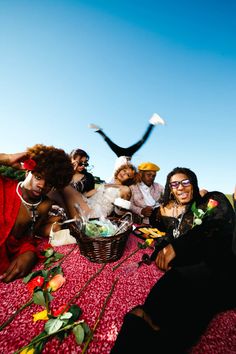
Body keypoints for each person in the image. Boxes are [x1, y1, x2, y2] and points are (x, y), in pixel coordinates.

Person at [111, 167, 236, 354]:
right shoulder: (180, 219)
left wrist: (178, 247)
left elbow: (217, 226)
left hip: (218, 269)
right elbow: (166, 238)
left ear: (194, 184)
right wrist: (162, 250)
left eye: (186, 182)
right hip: (184, 274)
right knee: (139, 314)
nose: (180, 188)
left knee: (176, 324)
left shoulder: (212, 200)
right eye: (174, 184)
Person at [0, 144, 73, 283]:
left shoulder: (44, 205)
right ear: (28, 172)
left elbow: (29, 236)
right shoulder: (3, 186)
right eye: (38, 177)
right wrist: (6, 158)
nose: (42, 185)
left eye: (49, 183)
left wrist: (29, 253)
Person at [89, 113, 166, 171]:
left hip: (121, 155)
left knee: (109, 141)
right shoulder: (128, 168)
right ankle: (152, 122)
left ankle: (152, 122)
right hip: (127, 155)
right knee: (141, 141)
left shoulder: (121, 167)